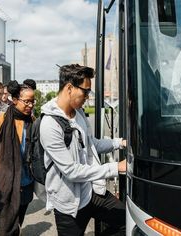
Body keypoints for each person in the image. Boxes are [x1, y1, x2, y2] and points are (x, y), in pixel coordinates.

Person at [40, 64, 127, 236]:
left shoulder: (78, 113)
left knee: (125, 221)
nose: (88, 96)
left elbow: (92, 144)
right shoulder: (49, 124)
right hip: (68, 203)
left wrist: (120, 142)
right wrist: (115, 168)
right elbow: (71, 171)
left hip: (91, 191)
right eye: (85, 91)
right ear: (70, 88)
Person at [0, 79, 36, 236]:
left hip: (26, 182)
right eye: (26, 101)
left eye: (33, 101)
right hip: (5, 181)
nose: (31, 105)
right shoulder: (1, 120)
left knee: (18, 220)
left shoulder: (31, 121)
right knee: (4, 224)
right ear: (15, 99)